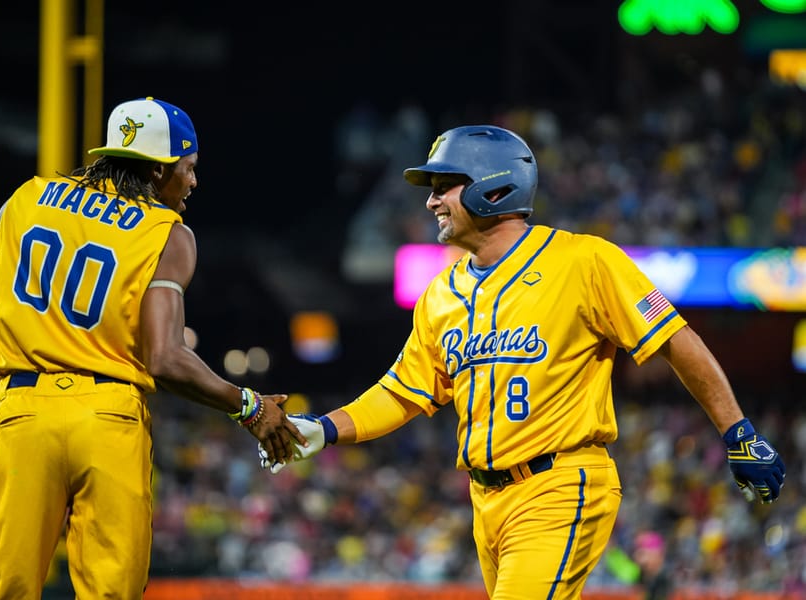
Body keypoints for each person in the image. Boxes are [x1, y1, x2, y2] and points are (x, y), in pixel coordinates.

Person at [260, 125, 786, 599]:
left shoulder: (584, 261)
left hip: (561, 484)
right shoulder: (441, 293)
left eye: (444, 185)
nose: (432, 202)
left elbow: (677, 339)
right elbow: (402, 391)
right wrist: (323, 430)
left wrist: (737, 432)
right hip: (486, 503)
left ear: (493, 187)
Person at [0, 96, 307, 599]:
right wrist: (249, 406)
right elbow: (165, 358)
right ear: (159, 171)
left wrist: (13, 362)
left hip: (24, 413)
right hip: (109, 419)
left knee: (8, 591)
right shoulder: (166, 234)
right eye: (189, 168)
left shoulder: (25, 199)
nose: (194, 181)